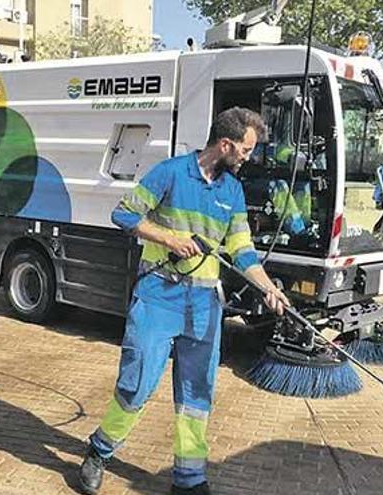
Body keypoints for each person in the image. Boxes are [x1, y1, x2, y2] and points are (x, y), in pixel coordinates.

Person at [77, 108, 290, 495]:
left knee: (196, 393)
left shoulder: (232, 191)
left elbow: (241, 250)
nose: (247, 157)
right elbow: (123, 214)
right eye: (244, 149)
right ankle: (99, 451)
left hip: (204, 304)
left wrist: (268, 287)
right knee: (136, 385)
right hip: (158, 296)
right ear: (225, 145)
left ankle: (189, 479)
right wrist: (169, 239)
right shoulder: (171, 173)